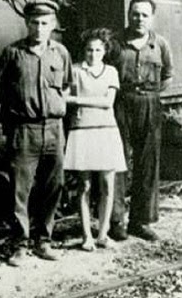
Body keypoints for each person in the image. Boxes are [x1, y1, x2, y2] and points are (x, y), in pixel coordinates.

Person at [0, 0, 73, 266]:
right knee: (20, 189)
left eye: (44, 23)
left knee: (54, 185)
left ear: (52, 25)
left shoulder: (61, 53)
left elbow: (66, 87)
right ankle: (19, 245)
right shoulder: (12, 53)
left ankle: (44, 241)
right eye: (34, 23)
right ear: (26, 24)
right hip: (23, 129)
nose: (39, 28)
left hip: (53, 128)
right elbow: (0, 89)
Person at [107, 0, 173, 242]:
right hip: (120, 104)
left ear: (152, 18)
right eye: (135, 14)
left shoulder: (161, 45)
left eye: (144, 15)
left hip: (149, 105)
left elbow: (168, 75)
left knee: (147, 163)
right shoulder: (115, 44)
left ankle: (140, 221)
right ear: (128, 15)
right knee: (117, 161)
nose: (139, 19)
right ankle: (116, 221)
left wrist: (150, 95)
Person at [64, 28, 127, 251]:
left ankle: (103, 234)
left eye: (98, 49)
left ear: (105, 51)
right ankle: (86, 237)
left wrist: (76, 100)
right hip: (82, 130)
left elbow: (107, 103)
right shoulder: (74, 70)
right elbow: (63, 97)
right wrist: (87, 100)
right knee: (84, 186)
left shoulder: (111, 72)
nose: (93, 54)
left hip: (106, 131)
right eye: (89, 50)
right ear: (84, 50)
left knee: (108, 185)